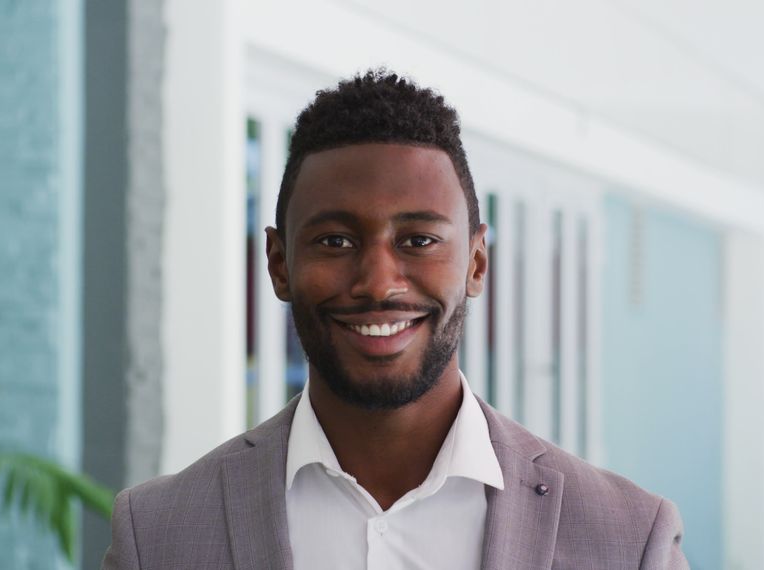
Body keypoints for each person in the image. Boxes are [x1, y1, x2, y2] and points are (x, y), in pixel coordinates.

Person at [102, 69, 687, 570]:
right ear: (280, 264)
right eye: (334, 240)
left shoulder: (629, 538)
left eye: (418, 239)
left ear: (476, 262)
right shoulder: (156, 535)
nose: (379, 282)